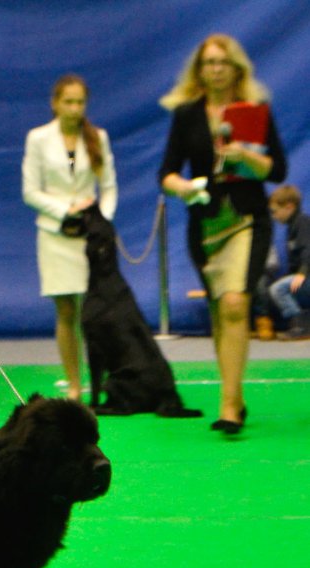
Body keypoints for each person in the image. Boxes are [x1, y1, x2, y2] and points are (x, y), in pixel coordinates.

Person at [158, 33, 287, 434]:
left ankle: (229, 404)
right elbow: (166, 173)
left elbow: (277, 169)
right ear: (199, 70)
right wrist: (183, 187)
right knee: (219, 311)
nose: (215, 69)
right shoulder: (187, 115)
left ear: (236, 68)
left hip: (248, 219)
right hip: (206, 224)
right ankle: (235, 394)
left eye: (222, 62)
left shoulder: (255, 111)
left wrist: (245, 156)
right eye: (208, 62)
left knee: (235, 303)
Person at [22, 74, 118, 401]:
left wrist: (99, 221)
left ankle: (103, 381)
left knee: (96, 312)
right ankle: (75, 385)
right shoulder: (38, 139)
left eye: (80, 102)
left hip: (91, 240)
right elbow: (30, 191)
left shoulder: (98, 138)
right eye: (68, 101)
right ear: (55, 103)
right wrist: (67, 210)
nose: (75, 108)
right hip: (54, 235)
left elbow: (108, 187)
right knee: (66, 311)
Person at [268, 184, 310, 340]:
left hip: (307, 276)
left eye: (275, 211)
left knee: (278, 289)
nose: (273, 216)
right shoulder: (291, 227)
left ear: (289, 207)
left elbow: (308, 249)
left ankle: (301, 325)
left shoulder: (302, 222)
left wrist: (302, 273)